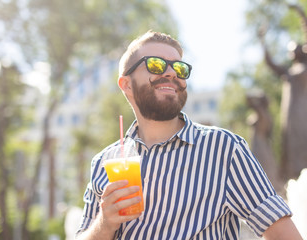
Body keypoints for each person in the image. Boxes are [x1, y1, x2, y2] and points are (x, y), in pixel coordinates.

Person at [75, 31, 303, 239]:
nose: (172, 73)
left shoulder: (223, 148)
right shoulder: (105, 162)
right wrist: (104, 224)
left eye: (180, 68)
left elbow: (284, 234)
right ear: (126, 85)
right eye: (156, 65)